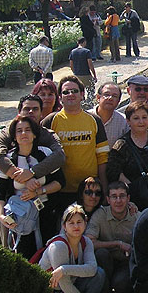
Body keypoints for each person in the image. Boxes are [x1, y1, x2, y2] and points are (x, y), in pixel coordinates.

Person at [0, 115, 65, 258]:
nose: (23, 134)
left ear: (34, 134)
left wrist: (39, 191)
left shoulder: (45, 154)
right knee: (23, 256)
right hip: (20, 216)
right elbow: (0, 194)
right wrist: (1, 215)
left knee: (48, 254)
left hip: (46, 212)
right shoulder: (7, 161)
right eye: (19, 131)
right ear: (14, 136)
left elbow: (60, 182)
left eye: (27, 130)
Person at [42, 76, 109, 211]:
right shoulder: (51, 121)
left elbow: (102, 157)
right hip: (60, 188)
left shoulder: (94, 120)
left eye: (74, 91)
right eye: (66, 92)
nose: (70, 94)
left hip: (89, 190)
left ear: (82, 94)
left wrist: (104, 187)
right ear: (60, 97)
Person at [39, 204, 105, 293]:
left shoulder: (86, 242)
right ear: (64, 226)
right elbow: (65, 284)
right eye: (71, 223)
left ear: (85, 223)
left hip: (71, 288)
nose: (76, 226)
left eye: (79, 222)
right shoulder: (59, 246)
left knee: (99, 274)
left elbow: (92, 269)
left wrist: (64, 269)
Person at [0, 95, 65, 195]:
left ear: (41, 113)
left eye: (35, 109)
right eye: (27, 109)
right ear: (19, 112)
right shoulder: (6, 134)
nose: (31, 112)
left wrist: (32, 172)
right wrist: (23, 177)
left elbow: (59, 156)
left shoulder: (48, 135)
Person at [86, 181, 139, 293]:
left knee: (120, 283)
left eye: (122, 196)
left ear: (128, 198)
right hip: (106, 260)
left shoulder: (137, 216)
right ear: (108, 199)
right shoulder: (100, 214)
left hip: (126, 263)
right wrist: (117, 244)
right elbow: (89, 242)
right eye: (114, 196)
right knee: (101, 254)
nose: (118, 200)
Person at [88, 82, 128, 148]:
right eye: (106, 95)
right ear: (98, 97)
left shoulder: (124, 121)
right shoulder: (85, 117)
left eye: (114, 96)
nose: (110, 98)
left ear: (118, 101)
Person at [69, 37, 96, 105]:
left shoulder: (73, 52)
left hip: (77, 75)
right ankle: (89, 105)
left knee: (80, 91)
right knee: (91, 91)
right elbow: (90, 64)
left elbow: (71, 65)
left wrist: (74, 72)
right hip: (86, 74)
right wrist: (94, 75)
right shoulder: (87, 51)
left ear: (77, 43)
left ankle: (81, 104)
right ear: (84, 42)